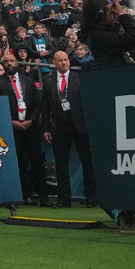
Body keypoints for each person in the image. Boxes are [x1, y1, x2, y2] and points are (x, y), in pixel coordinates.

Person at [0, 51, 48, 207]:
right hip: (10, 128)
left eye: (12, 61)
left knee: (37, 161)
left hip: (30, 127)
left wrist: (31, 120)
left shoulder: (28, 81)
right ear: (3, 65)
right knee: (18, 162)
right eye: (6, 61)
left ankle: (44, 196)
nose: (9, 63)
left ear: (17, 63)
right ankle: (25, 195)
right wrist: (11, 122)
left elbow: (37, 103)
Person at [40, 51, 97, 208]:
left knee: (87, 161)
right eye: (60, 60)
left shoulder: (78, 78)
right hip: (59, 127)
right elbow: (45, 107)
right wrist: (46, 128)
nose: (64, 63)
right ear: (54, 62)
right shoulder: (49, 80)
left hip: (79, 125)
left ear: (69, 62)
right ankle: (64, 198)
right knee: (61, 164)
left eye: (66, 60)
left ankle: (91, 197)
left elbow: (88, 102)